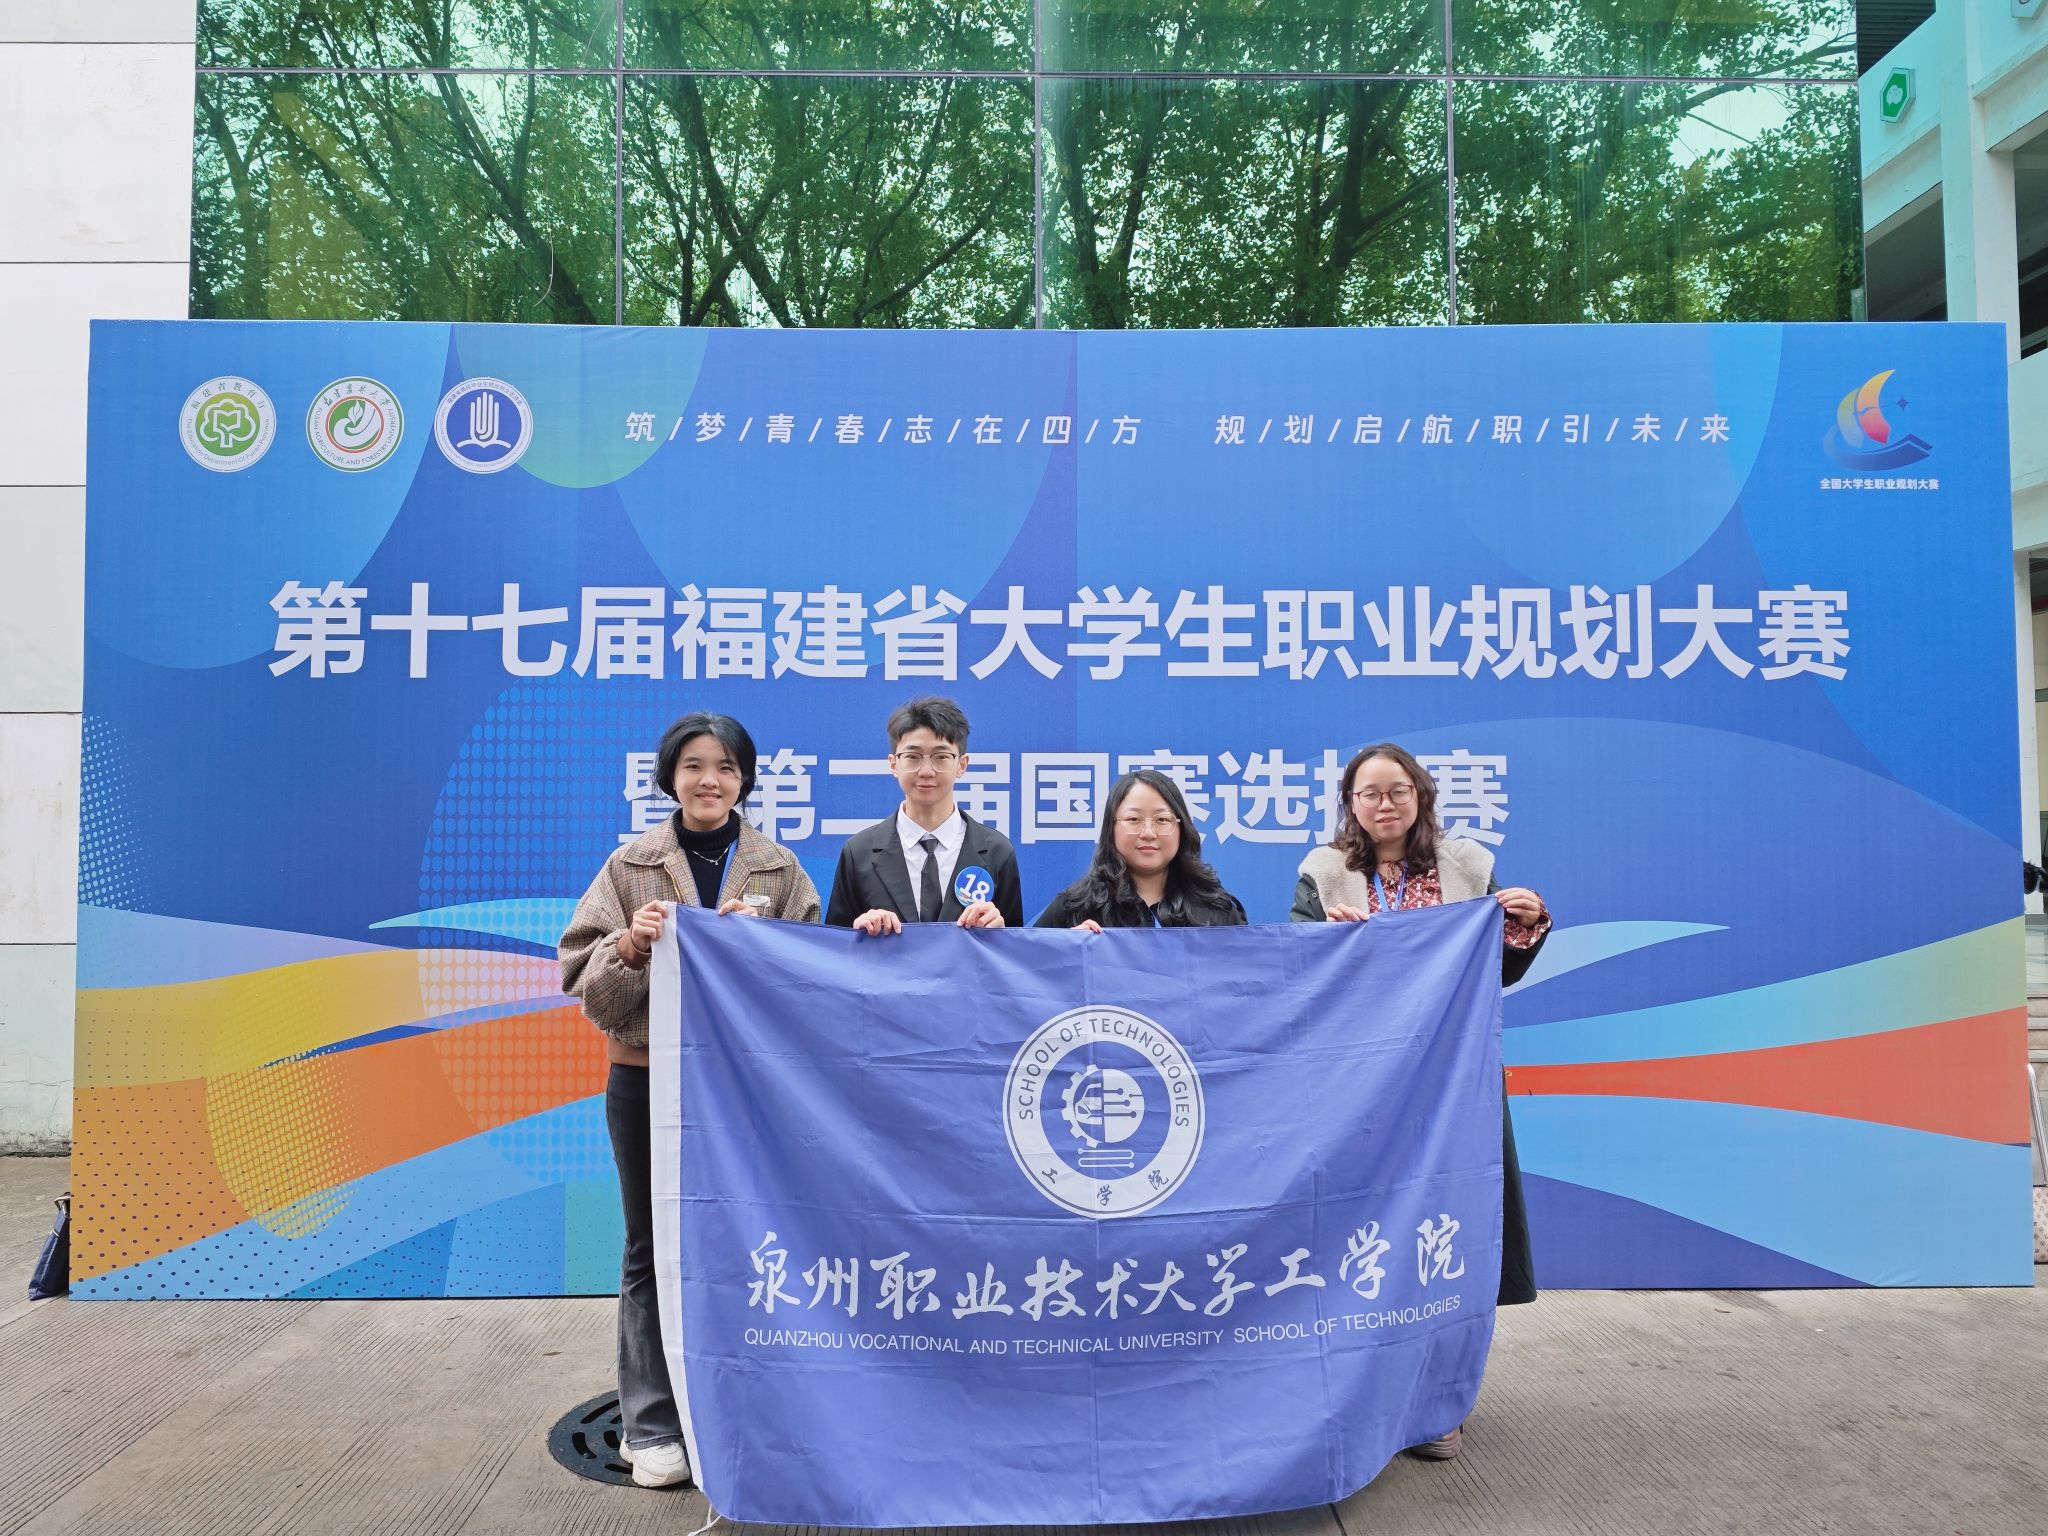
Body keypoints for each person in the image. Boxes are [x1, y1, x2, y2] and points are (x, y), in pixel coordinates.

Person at [558, 711, 820, 1489]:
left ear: (745, 779)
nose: (711, 780)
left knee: (744, 1243)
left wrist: (756, 946)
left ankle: (740, 1406)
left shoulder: (776, 869)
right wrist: (630, 945)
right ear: (670, 776)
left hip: (742, 1088)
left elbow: (811, 979)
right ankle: (651, 1424)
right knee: (650, 1247)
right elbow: (585, 984)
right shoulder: (630, 866)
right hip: (646, 1078)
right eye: (696, 765)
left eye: (727, 767)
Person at [1290, 742, 1550, 1463]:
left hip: (1452, 1084)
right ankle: (1356, 1392)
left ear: (1421, 795)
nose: (1384, 804)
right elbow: (1299, 966)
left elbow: (1496, 967)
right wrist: (1331, 945)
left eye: (1397, 790)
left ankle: (1439, 1404)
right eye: (1369, 793)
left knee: (1446, 1236)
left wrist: (1525, 921)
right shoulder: (1324, 871)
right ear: (1350, 803)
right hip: (1362, 1091)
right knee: (1368, 1239)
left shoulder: (1467, 865)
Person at [824, 696, 1022, 933]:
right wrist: (857, 933)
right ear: (893, 764)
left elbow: (1015, 949)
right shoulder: (859, 852)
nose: (926, 771)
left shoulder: (996, 852)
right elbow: (832, 947)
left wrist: (999, 932)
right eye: (912, 757)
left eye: (941, 757)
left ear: (962, 764)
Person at [1034, 769, 1246, 929]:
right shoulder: (1074, 909)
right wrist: (1066, 951)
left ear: (1182, 829)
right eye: (1133, 819)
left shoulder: (1218, 912)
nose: (1148, 833)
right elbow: (1027, 968)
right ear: (1111, 828)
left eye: (1162, 820)